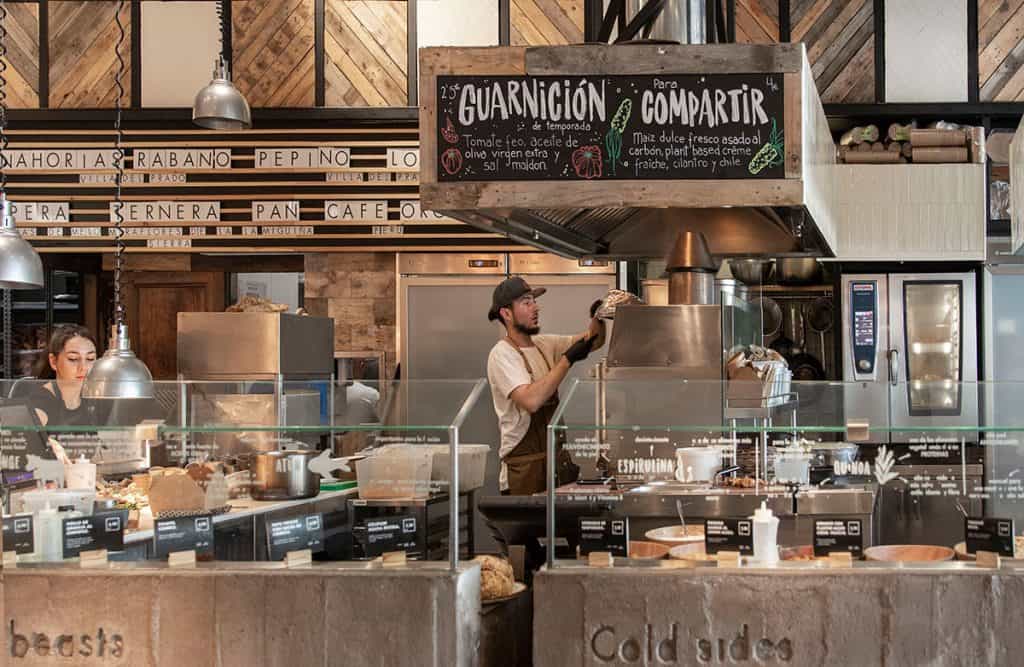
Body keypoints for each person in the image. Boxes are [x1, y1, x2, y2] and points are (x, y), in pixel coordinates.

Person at [486, 277, 605, 495]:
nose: (536, 307)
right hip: (525, 472)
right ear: (506, 313)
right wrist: (566, 360)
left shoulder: (543, 345)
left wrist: (598, 317)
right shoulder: (502, 354)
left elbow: (593, 341)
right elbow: (531, 401)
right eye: (526, 302)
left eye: (534, 301)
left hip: (557, 466)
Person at [28, 324, 106, 428]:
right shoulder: (40, 402)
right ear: (53, 361)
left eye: (90, 359)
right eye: (73, 359)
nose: (83, 368)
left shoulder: (97, 399)